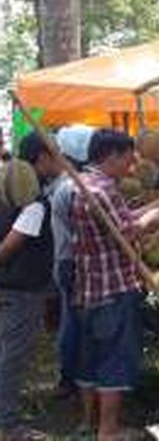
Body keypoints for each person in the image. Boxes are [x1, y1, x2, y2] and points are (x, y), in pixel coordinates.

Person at [70, 129, 159, 441]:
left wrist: (151, 207)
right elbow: (125, 232)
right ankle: (108, 431)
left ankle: (89, 422)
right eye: (127, 158)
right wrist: (153, 218)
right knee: (114, 359)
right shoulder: (104, 190)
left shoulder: (79, 184)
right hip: (113, 289)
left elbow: (115, 221)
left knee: (90, 358)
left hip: (87, 288)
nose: (131, 165)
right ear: (111, 156)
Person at [0, 132, 62, 439]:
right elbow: (9, 247)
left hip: (14, 289)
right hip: (20, 292)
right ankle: (8, 425)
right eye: (56, 154)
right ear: (41, 159)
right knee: (12, 357)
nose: (61, 160)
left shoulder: (10, 188)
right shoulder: (33, 201)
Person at [51, 125, 95, 398]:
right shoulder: (74, 187)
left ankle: (70, 378)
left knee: (72, 321)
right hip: (73, 261)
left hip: (66, 260)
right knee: (77, 323)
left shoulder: (66, 184)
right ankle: (73, 379)